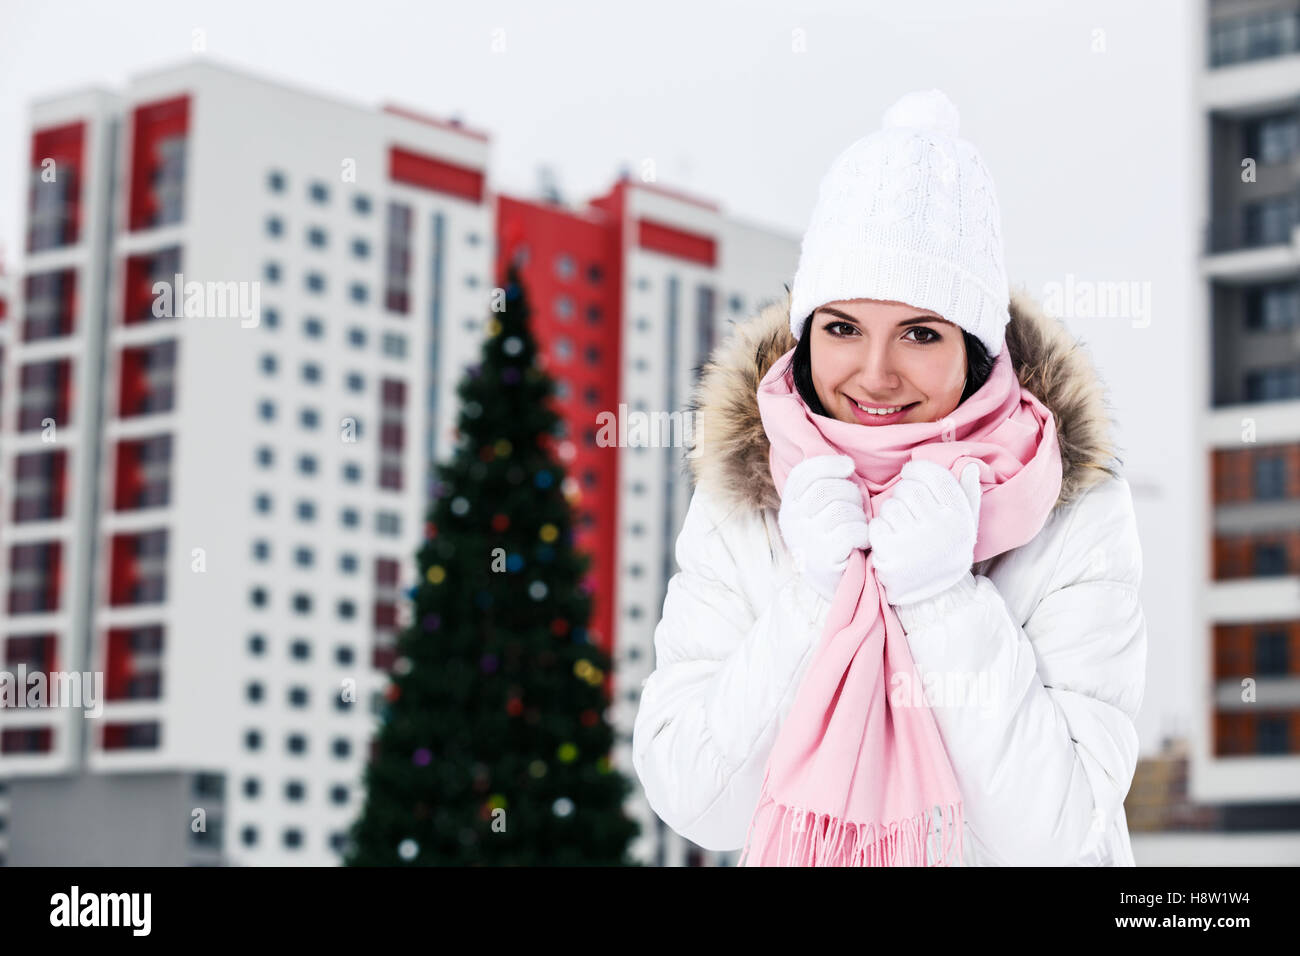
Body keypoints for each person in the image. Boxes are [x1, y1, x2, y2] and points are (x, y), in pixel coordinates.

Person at [631, 89, 1147, 866]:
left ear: (974, 353)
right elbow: (697, 798)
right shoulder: (749, 497)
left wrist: (942, 601)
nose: (874, 374)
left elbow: (1054, 831)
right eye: (842, 328)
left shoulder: (1073, 507)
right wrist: (814, 597)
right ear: (807, 337)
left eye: (918, 332)